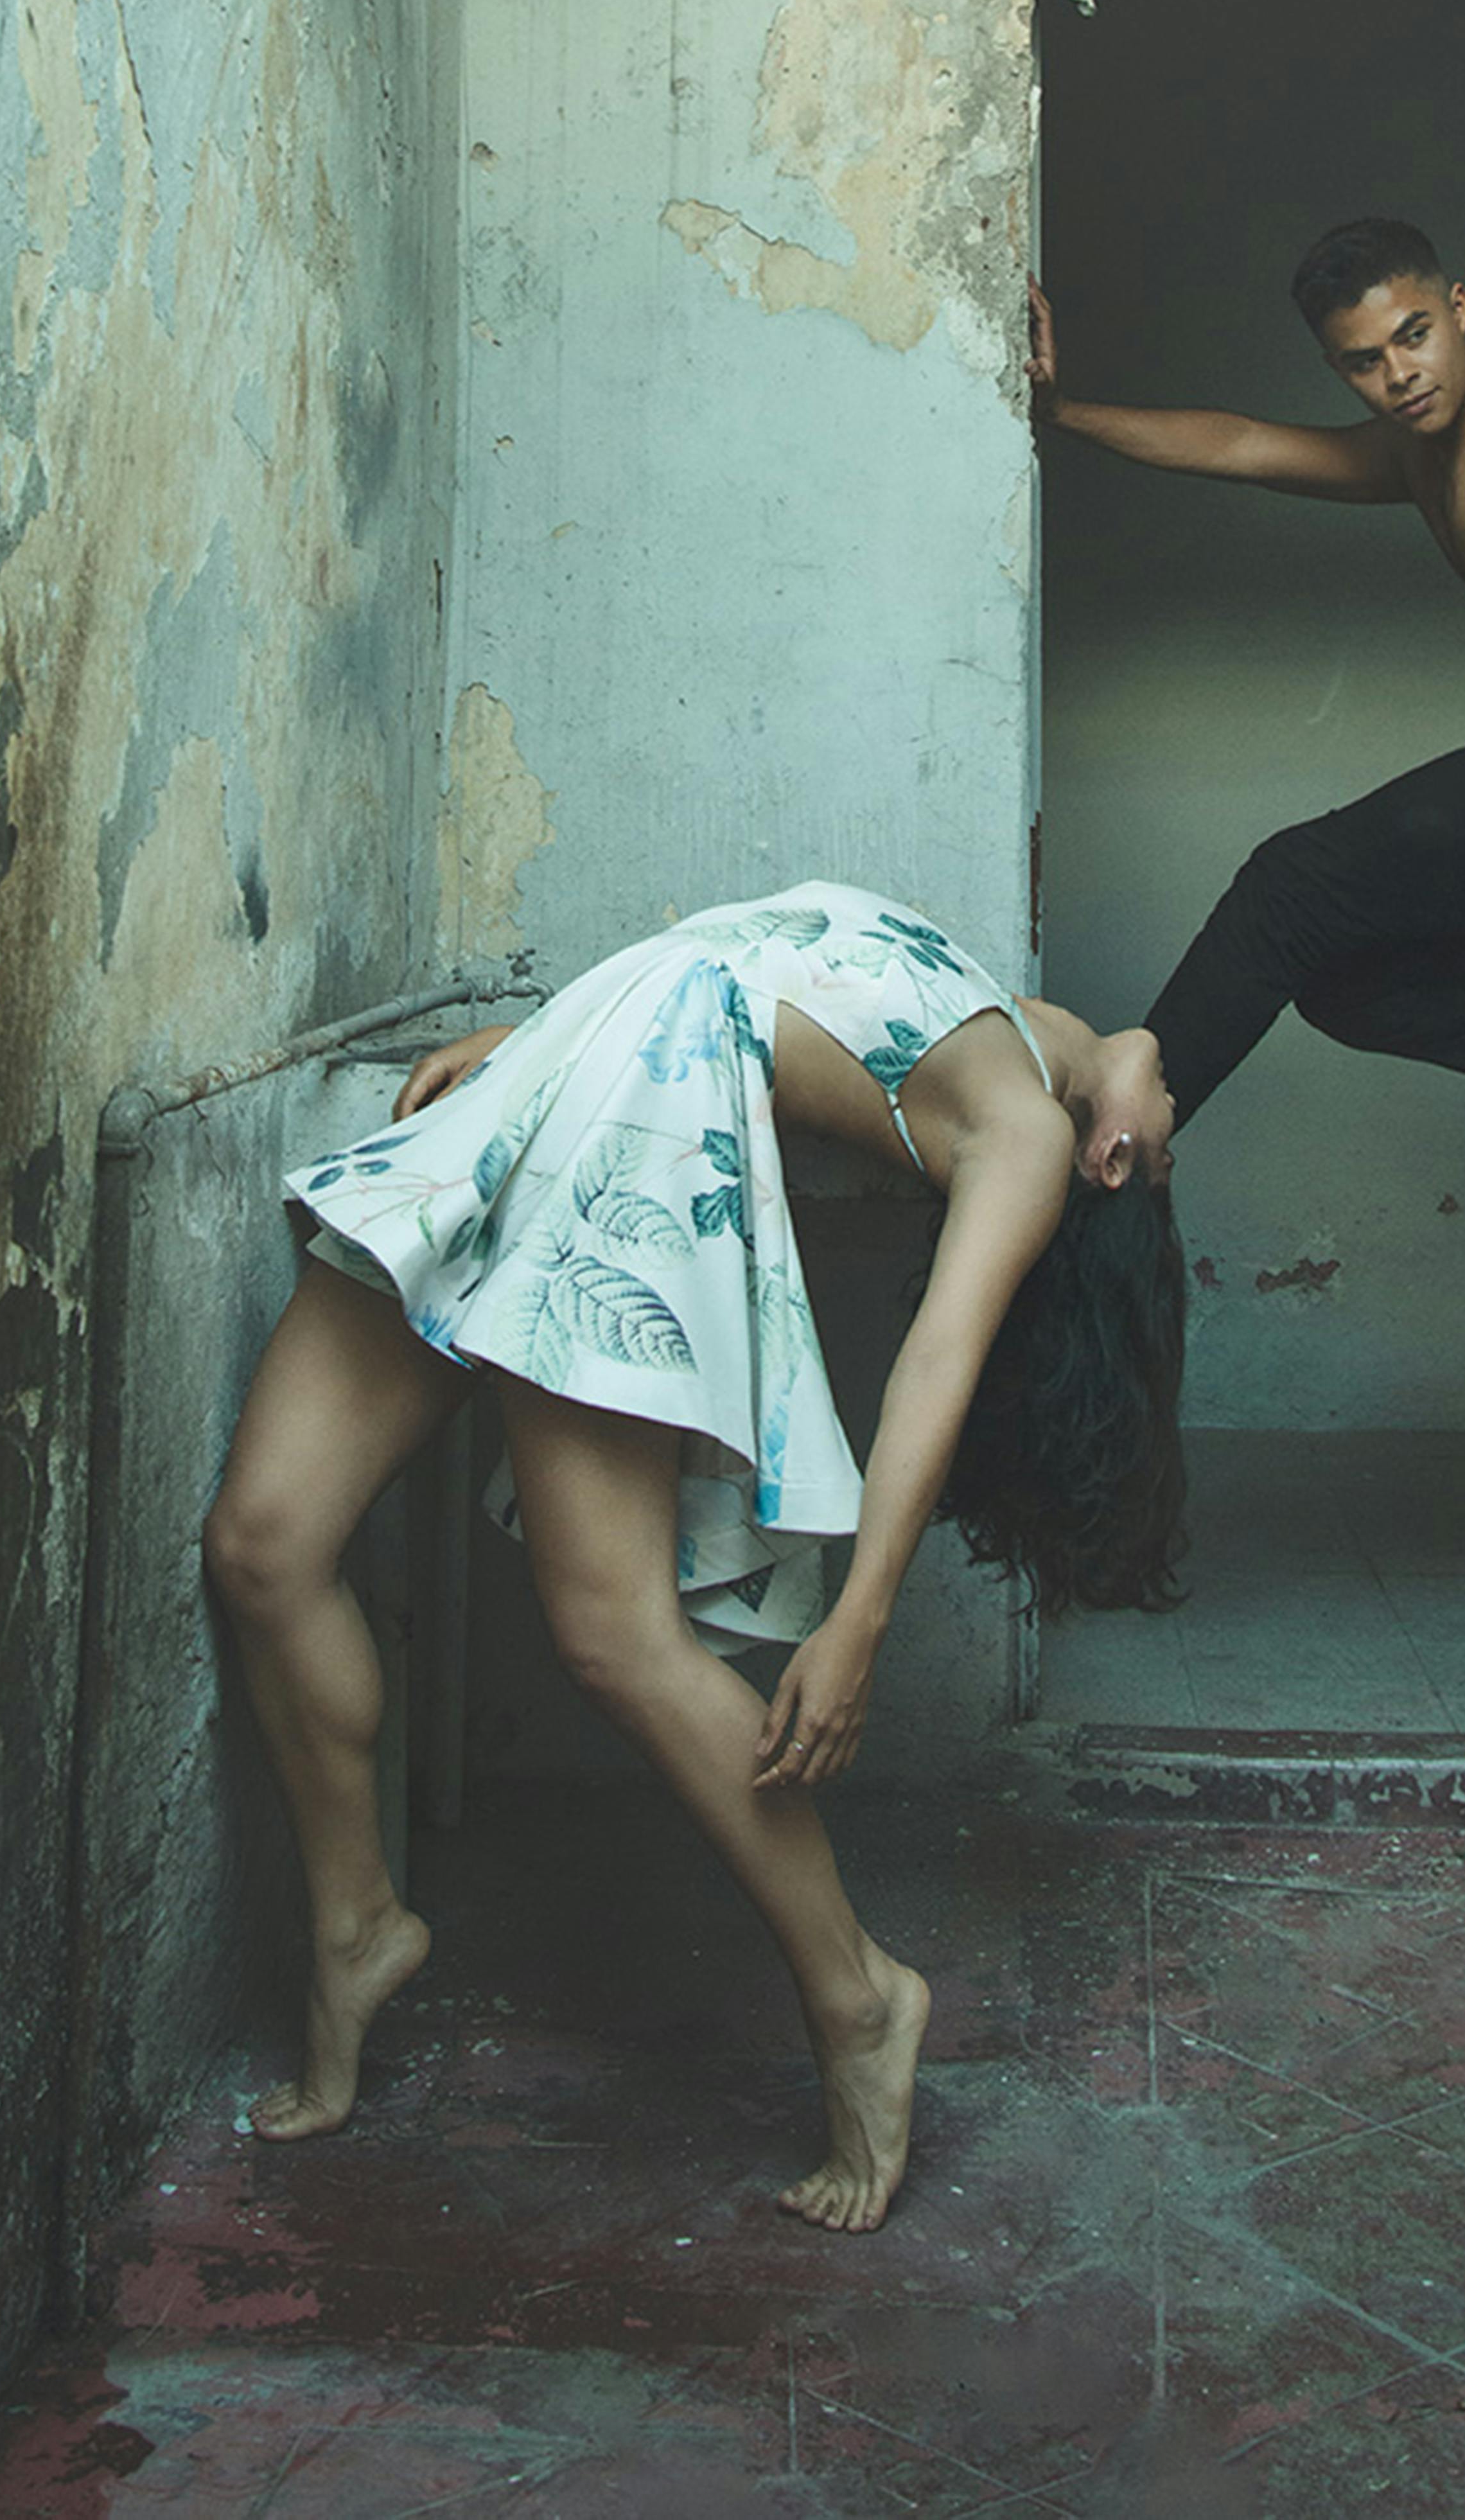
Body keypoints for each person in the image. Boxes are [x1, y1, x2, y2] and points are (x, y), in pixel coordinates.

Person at [203, 879, 1186, 2231]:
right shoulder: (1051, 1040)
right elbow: (1123, 1048)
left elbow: (935, 1372)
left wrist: (857, 1626)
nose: (1161, 1122)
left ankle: (860, 1995)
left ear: (1107, 1178)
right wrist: (542, 1035)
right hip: (584, 1061)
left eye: (1151, 1154)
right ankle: (356, 1923)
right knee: (263, 1543)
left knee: (615, 1632)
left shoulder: (1022, 1130)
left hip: (639, 1116)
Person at [1029, 215, 1465, 1221]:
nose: (1400, 375)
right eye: (1364, 361)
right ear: (1338, 366)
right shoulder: (1421, 452)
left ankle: (1113, 1147)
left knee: (1288, 890)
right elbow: (1245, 445)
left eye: (1414, 335)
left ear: (1458, 311)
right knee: (1345, 984)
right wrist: (1063, 414)